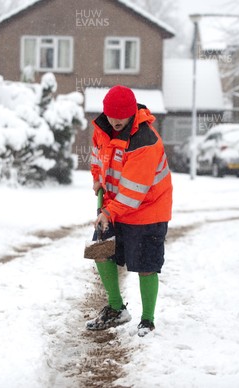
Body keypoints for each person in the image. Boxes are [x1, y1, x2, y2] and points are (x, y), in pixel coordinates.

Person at [87, 85, 173, 337]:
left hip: (147, 210)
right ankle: (116, 309)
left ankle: (147, 319)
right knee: (100, 250)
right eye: (111, 115)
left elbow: (134, 191)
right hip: (115, 205)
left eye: (120, 116)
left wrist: (109, 212)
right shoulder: (102, 129)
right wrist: (96, 177)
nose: (115, 121)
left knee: (146, 264)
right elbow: (96, 156)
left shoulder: (145, 142)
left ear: (131, 114)